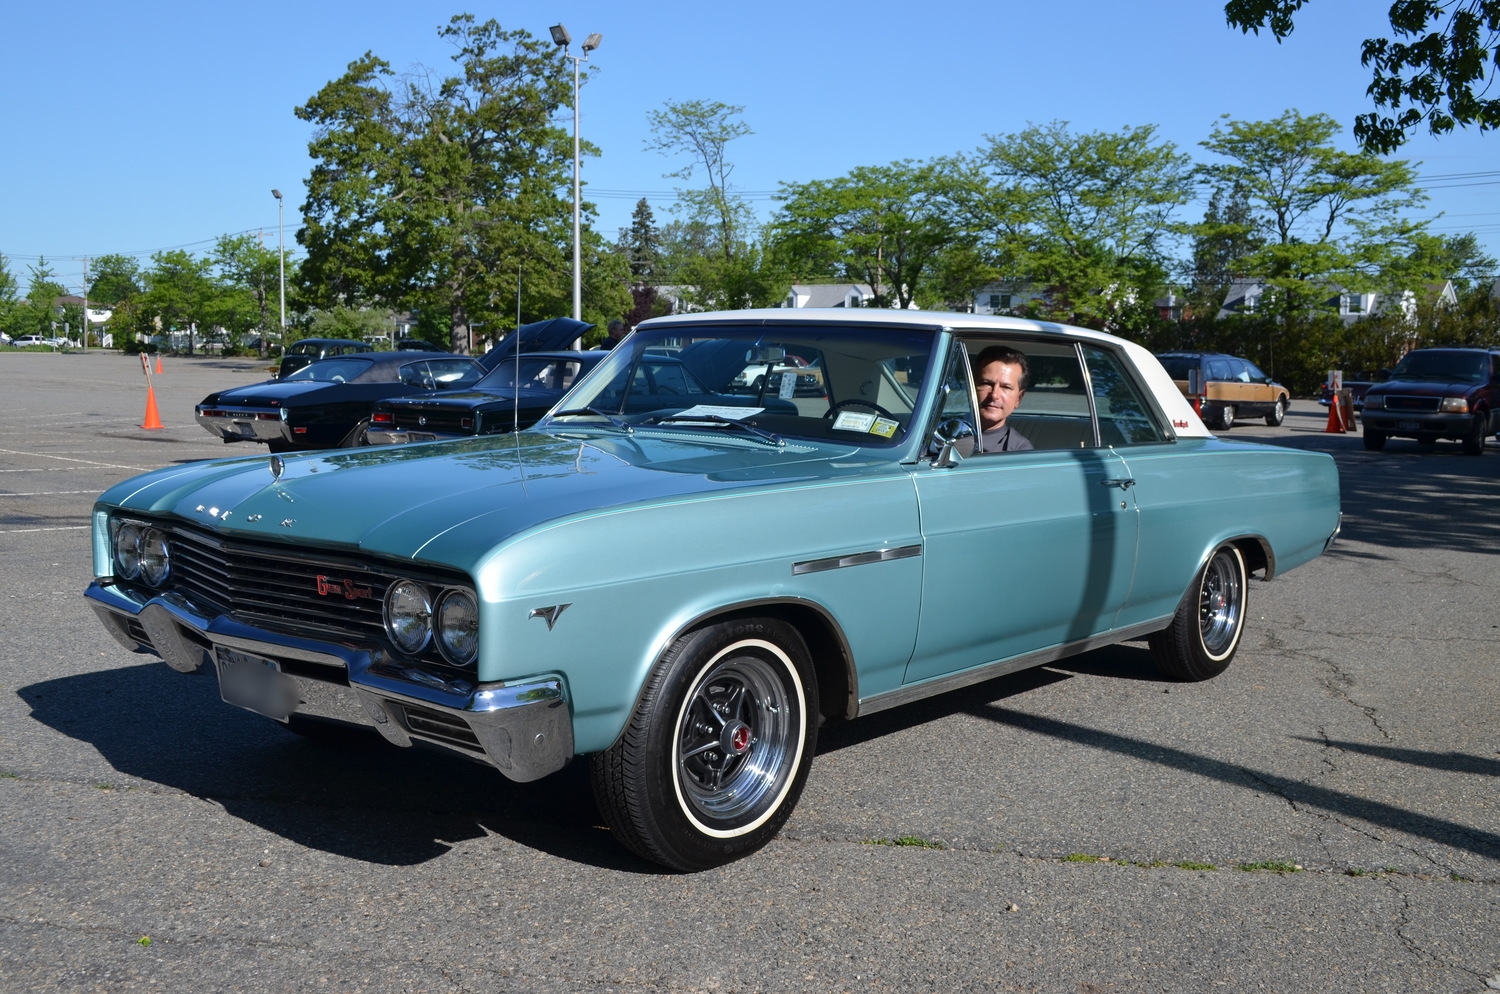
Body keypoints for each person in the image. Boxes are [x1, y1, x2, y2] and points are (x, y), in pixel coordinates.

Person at [972, 345, 1033, 453]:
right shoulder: (940, 431)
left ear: (1018, 398)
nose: (994, 395)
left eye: (1006, 387)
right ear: (971, 387)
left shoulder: (1019, 451)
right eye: (986, 384)